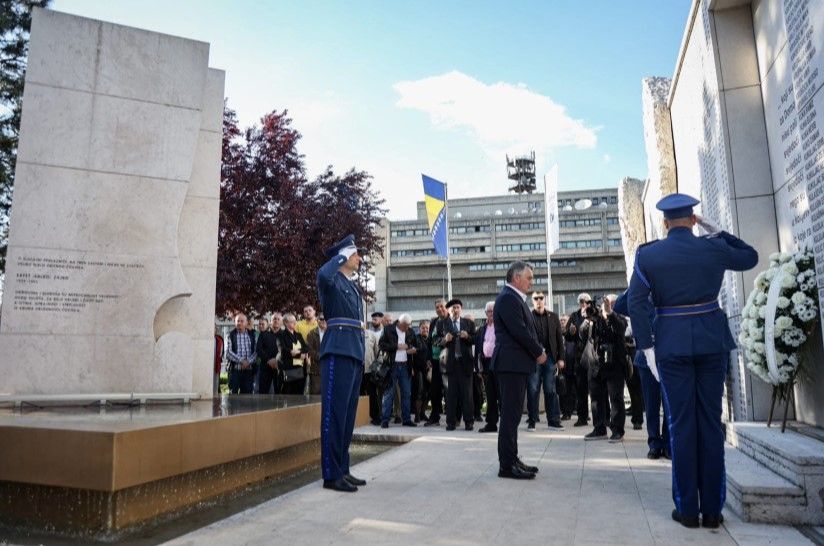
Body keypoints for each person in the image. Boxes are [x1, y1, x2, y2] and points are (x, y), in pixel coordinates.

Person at [627, 193, 758, 529]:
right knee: (711, 423)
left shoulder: (649, 254)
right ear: (694, 219)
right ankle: (713, 510)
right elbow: (750, 257)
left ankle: (687, 509)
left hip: (671, 346)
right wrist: (719, 233)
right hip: (711, 342)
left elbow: (638, 304)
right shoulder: (712, 247)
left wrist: (648, 348)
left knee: (681, 425)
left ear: (665, 222)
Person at [317, 234, 368, 493]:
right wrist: (340, 256)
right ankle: (330, 474)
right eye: (356, 253)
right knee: (334, 415)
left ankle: (342, 469)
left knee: (347, 417)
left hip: (353, 352)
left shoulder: (352, 287)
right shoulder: (332, 279)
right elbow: (322, 276)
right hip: (337, 350)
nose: (359, 258)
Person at [493, 261, 546, 480]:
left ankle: (512, 459)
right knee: (509, 416)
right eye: (529, 278)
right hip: (510, 364)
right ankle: (506, 466)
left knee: (513, 416)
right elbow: (520, 331)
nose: (531, 282)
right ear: (516, 278)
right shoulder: (507, 298)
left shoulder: (515, 298)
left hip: (516, 365)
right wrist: (538, 352)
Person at [614, 291, 670, 460]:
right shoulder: (640, 295)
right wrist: (637, 282)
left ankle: (668, 444)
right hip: (646, 359)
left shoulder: (665, 290)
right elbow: (619, 305)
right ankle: (654, 443)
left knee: (668, 405)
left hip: (668, 357)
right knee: (651, 406)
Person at [583, 294, 628, 442]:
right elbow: (582, 336)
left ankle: (617, 430)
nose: (605, 305)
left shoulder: (618, 316)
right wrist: (588, 321)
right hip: (596, 363)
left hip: (614, 364)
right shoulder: (594, 320)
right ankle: (599, 428)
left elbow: (621, 328)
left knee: (615, 398)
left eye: (608, 303)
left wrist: (609, 314)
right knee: (596, 398)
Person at [528, 291, 565, 431]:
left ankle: (553, 421)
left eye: (541, 298)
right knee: (533, 390)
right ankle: (532, 421)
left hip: (550, 358)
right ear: (532, 301)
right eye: (535, 298)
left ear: (545, 300)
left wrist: (561, 358)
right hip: (534, 358)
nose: (538, 300)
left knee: (550, 390)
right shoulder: (528, 317)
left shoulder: (553, 317)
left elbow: (559, 339)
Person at [441, 299, 476, 431]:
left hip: (465, 363)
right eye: (452, 308)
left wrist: (467, 336)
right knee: (450, 395)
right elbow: (435, 341)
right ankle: (451, 422)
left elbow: (475, 339)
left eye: (457, 308)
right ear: (449, 311)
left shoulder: (468, 323)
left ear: (461, 309)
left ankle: (469, 422)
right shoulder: (442, 324)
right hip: (449, 364)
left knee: (467, 395)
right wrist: (445, 340)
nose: (455, 310)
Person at [378, 314, 418, 428]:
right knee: (388, 393)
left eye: (409, 325)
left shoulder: (410, 331)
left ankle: (406, 420)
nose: (408, 328)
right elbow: (381, 345)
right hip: (392, 366)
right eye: (406, 326)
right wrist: (396, 346)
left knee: (406, 393)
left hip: (406, 366)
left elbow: (416, 344)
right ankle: (385, 420)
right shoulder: (388, 329)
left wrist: (412, 349)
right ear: (400, 323)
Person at [424, 298, 450, 426]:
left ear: (446, 307)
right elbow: (429, 341)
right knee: (434, 391)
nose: (439, 309)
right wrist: (428, 358)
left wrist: (440, 341)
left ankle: (453, 417)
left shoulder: (450, 321)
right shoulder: (434, 321)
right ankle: (435, 417)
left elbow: (448, 340)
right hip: (435, 361)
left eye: (442, 306)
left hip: (447, 361)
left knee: (449, 390)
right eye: (437, 307)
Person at [568, 293, 592, 427]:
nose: (584, 304)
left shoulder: (594, 313)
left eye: (586, 301)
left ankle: (604, 417)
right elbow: (568, 336)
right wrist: (571, 332)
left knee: (597, 388)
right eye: (581, 301)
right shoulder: (574, 316)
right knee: (581, 388)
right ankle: (582, 417)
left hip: (594, 355)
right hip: (580, 355)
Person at [476, 301, 499, 433]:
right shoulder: (482, 328)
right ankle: (491, 423)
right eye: (489, 311)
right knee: (490, 396)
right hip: (486, 364)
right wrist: (479, 367)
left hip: (499, 364)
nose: (491, 314)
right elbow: (478, 348)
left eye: (493, 311)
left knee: (502, 395)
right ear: (485, 313)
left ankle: (507, 424)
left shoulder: (501, 326)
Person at [277, 313, 309, 395]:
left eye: (295, 321)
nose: (295, 323)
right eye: (292, 321)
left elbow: (306, 348)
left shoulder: (298, 335)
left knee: (299, 392)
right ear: (285, 323)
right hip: (289, 368)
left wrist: (297, 352)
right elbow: (284, 350)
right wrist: (300, 354)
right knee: (288, 392)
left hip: (301, 368)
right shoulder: (281, 335)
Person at [227, 313, 256, 394]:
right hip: (235, 371)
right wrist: (242, 361)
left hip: (249, 371)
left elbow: (256, 351)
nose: (239, 323)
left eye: (242, 321)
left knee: (247, 398)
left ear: (246, 323)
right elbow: (228, 353)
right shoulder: (230, 335)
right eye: (237, 321)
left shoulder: (252, 335)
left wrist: (248, 362)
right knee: (233, 397)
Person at [413, 320, 432, 423]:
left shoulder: (431, 339)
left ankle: (423, 413)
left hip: (428, 370)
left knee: (427, 393)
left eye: (427, 328)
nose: (425, 329)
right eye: (423, 328)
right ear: (419, 328)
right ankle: (417, 415)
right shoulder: (415, 339)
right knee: (419, 392)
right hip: (418, 369)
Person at [558, 315, 576, 420]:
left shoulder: (573, 333)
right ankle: (565, 412)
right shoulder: (557, 333)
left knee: (574, 389)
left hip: (573, 364)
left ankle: (575, 409)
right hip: (562, 366)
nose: (562, 322)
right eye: (561, 320)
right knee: (563, 389)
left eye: (564, 320)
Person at [256, 317, 280, 394]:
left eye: (263, 324)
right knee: (263, 391)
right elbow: (259, 350)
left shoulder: (280, 334)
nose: (261, 326)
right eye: (259, 324)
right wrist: (269, 360)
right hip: (265, 366)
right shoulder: (262, 335)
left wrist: (276, 361)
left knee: (278, 391)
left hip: (277, 366)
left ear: (268, 324)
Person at [306, 314, 328, 395]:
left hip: (329, 367)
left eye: (325, 319)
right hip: (316, 369)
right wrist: (321, 356)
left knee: (328, 393)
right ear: (317, 320)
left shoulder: (331, 333)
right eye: (321, 319)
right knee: (316, 392)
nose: (324, 321)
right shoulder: (311, 333)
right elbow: (309, 350)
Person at [214, 326, 224, 395]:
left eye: (214, 328)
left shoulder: (219, 340)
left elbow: (221, 353)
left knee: (215, 388)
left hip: (216, 366)